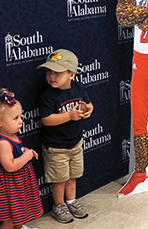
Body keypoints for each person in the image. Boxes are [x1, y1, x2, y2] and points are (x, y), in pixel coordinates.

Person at [37, 49, 92, 223]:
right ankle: (59, 205)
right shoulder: (48, 95)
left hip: (75, 143)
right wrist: (68, 116)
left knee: (72, 176)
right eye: (49, 71)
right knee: (59, 179)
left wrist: (88, 110)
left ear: (71, 74)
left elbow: (88, 104)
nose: (52, 76)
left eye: (57, 72)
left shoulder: (78, 87)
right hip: (56, 146)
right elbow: (46, 119)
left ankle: (71, 201)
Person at [0, 88, 43, 229]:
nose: (20, 121)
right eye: (15, 118)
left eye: (21, 116)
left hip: (17, 184)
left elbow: (16, 153)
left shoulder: (12, 135)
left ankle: (20, 228)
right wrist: (27, 156)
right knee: (9, 220)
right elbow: (10, 166)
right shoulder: (2, 142)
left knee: (19, 213)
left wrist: (25, 151)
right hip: (7, 187)